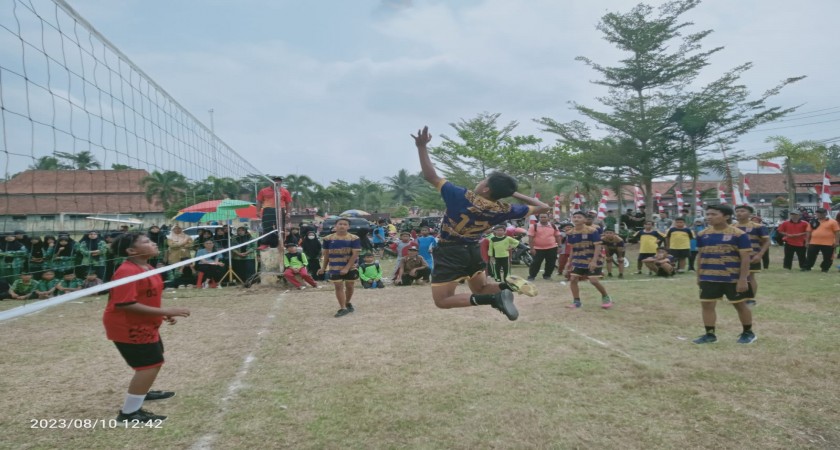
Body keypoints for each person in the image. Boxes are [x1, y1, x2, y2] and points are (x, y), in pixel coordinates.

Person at [412, 126, 547, 321]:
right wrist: (511, 192)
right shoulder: (504, 209)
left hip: (450, 251)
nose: (481, 181)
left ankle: (494, 299)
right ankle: (507, 286)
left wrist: (421, 146)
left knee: (442, 300)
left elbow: (430, 176)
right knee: (481, 287)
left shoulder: (460, 195)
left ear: (485, 188)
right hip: (473, 250)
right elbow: (544, 207)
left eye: (484, 180)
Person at [103, 232, 190, 423]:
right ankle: (128, 414)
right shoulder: (127, 271)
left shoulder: (146, 266)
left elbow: (146, 297)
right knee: (149, 365)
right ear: (131, 251)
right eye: (146, 242)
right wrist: (167, 310)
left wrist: (162, 313)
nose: (153, 243)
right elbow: (124, 304)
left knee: (153, 359)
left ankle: (142, 391)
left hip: (144, 323)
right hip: (127, 325)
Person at [693, 205, 756, 344]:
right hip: (708, 276)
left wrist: (743, 279)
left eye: (714, 214)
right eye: (707, 214)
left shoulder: (739, 234)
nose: (709, 217)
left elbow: (745, 258)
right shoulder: (702, 234)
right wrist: (699, 275)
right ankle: (710, 335)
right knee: (707, 305)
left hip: (731, 277)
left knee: (739, 305)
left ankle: (748, 332)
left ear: (726, 216)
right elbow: (701, 255)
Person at [563, 211, 613, 309]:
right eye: (574, 217)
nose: (576, 219)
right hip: (578, 260)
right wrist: (569, 262)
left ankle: (606, 297)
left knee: (593, 280)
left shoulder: (592, 231)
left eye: (579, 217)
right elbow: (573, 248)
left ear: (585, 220)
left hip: (592, 259)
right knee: (573, 279)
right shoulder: (570, 233)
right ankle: (577, 302)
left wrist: (594, 261)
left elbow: (598, 246)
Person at [318, 217, 361, 317]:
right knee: (338, 286)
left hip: (350, 266)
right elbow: (327, 254)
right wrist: (323, 268)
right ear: (335, 226)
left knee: (350, 286)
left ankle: (347, 302)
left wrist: (346, 268)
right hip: (334, 267)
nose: (342, 226)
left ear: (348, 227)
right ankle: (343, 308)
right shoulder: (327, 238)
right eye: (340, 224)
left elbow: (355, 255)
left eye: (345, 224)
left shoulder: (354, 238)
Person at [734, 205, 769, 307]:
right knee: (736, 277)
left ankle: (750, 298)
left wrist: (760, 254)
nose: (739, 213)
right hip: (735, 257)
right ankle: (738, 297)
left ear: (750, 214)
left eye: (742, 211)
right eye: (737, 211)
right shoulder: (732, 227)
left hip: (752, 256)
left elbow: (767, 241)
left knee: (749, 277)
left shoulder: (758, 226)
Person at [256, 175, 293, 249]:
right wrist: (258, 211)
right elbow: (259, 201)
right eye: (275, 180)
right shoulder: (263, 190)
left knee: (280, 228)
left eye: (279, 181)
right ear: (271, 182)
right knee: (267, 226)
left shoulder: (285, 191)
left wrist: (288, 213)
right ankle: (265, 243)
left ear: (281, 182)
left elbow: (288, 203)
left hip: (280, 210)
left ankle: (280, 243)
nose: (277, 182)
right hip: (268, 209)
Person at [527, 213, 562, 281]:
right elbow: (530, 238)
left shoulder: (553, 226)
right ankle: (532, 276)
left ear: (548, 218)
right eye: (541, 217)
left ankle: (547, 275)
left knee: (551, 263)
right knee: (535, 263)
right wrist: (532, 248)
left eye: (544, 217)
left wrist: (559, 246)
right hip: (538, 248)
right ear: (539, 218)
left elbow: (557, 236)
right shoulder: (534, 226)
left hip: (552, 247)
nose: (543, 218)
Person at [804, 207, 840, 272]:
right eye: (818, 213)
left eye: (821, 213)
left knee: (828, 257)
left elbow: (837, 232)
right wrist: (807, 241)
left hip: (828, 243)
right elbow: (808, 232)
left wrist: (837, 242)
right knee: (810, 256)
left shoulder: (833, 222)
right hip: (814, 242)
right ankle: (807, 267)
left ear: (825, 213)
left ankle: (825, 268)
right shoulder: (813, 221)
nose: (819, 214)